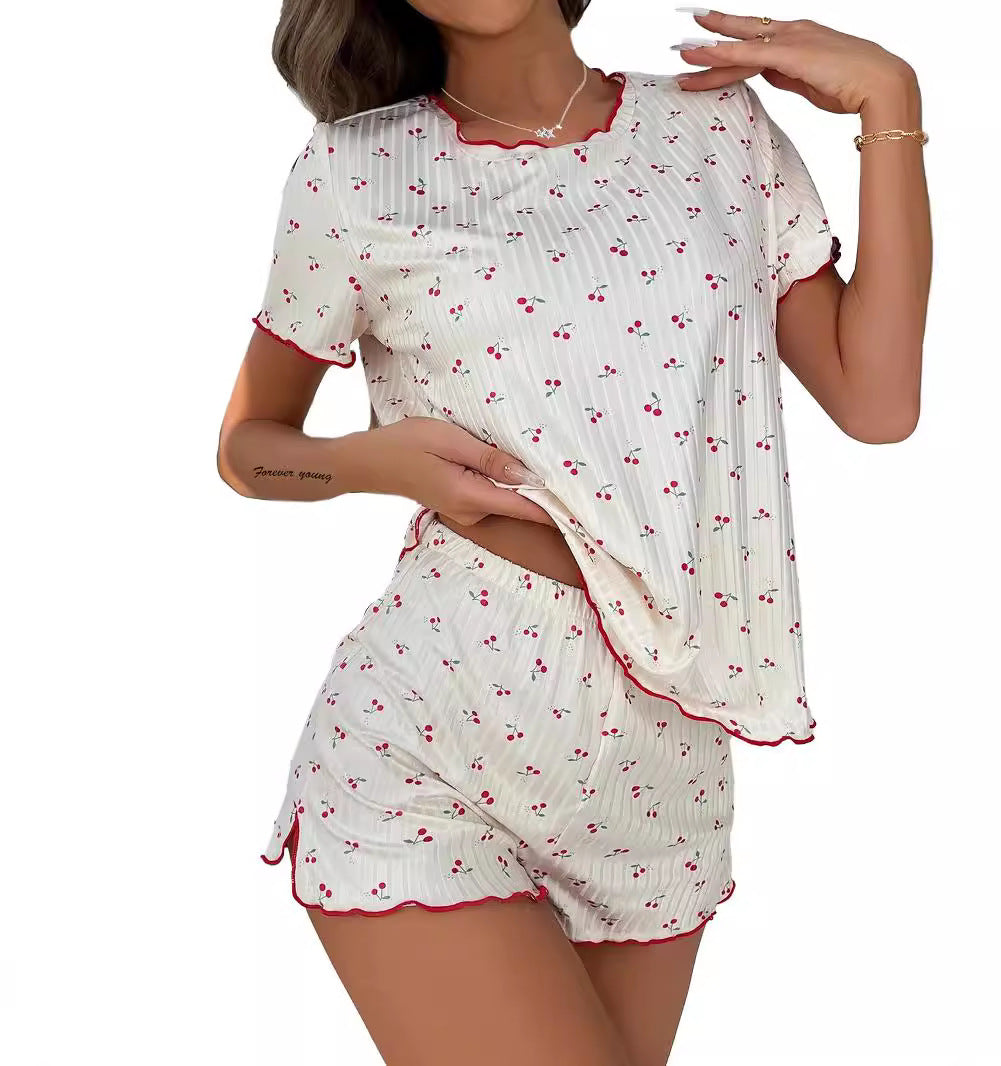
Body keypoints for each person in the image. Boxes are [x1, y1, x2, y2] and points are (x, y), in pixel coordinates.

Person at [216, 2, 930, 1062]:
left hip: (664, 765)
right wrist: (376, 460)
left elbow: (878, 401)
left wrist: (890, 104)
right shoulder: (355, 170)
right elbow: (249, 448)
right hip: (438, 734)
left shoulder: (717, 131)